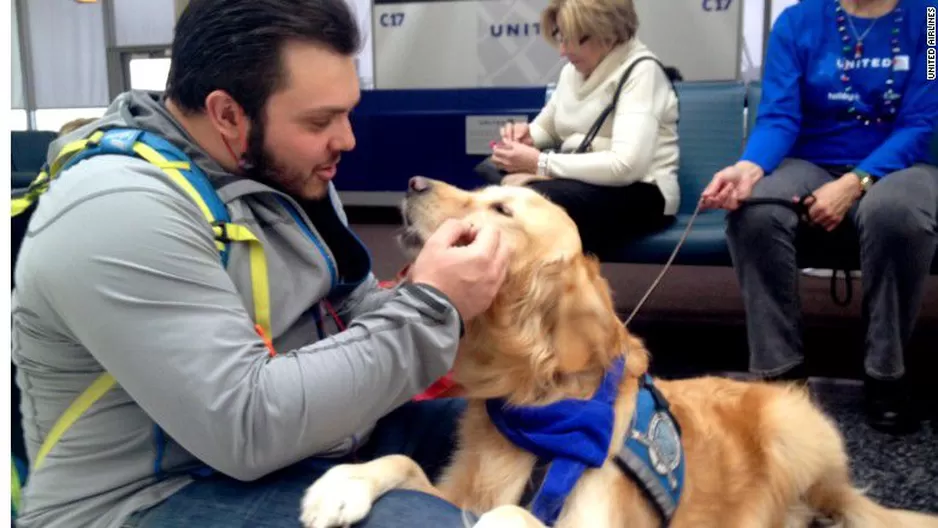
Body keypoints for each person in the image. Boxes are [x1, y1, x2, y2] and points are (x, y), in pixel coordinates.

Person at [10, 0, 511, 526]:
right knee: (422, 522)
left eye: (347, 111)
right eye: (321, 120)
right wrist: (434, 305)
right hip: (149, 494)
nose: (347, 139)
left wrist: (457, 293)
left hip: (305, 441)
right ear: (228, 114)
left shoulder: (284, 174)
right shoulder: (116, 208)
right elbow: (246, 427)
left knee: (529, 435)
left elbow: (354, 310)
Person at [701, 0, 938, 434]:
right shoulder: (796, 22)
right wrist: (749, 168)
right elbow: (778, 116)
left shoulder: (931, 20)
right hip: (810, 161)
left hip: (900, 165)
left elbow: (922, 121)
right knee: (752, 211)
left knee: (895, 213)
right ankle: (781, 377)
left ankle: (886, 375)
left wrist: (855, 182)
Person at [487, 0, 680, 255]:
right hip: (580, 181)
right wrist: (525, 139)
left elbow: (626, 166)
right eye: (561, 38)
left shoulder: (642, 71)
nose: (563, 51)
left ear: (608, 32)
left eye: (575, 39)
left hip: (641, 193)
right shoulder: (571, 72)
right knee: (491, 168)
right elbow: (549, 129)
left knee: (531, 199)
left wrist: (539, 164)